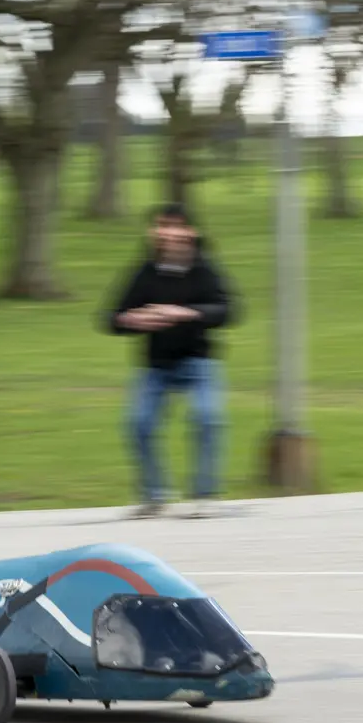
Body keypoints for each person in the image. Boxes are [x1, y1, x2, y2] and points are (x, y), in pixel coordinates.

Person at [103, 204, 237, 518]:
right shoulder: (145, 272)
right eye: (161, 226)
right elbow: (110, 317)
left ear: (190, 232)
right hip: (156, 365)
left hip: (197, 362)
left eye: (175, 226)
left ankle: (205, 494)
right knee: (138, 424)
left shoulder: (204, 270)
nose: (167, 232)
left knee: (207, 417)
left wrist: (187, 314)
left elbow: (228, 310)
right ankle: (154, 495)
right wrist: (131, 320)